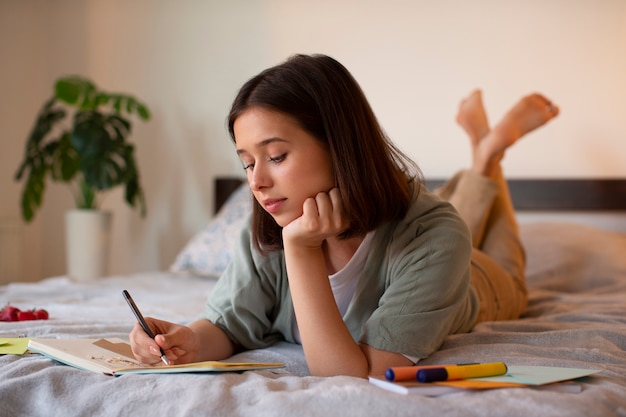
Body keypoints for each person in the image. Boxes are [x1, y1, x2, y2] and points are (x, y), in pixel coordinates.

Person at [129, 54, 559, 378]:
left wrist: (301, 250)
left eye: (276, 155)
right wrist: (187, 341)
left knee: (498, 256)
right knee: (447, 215)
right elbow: (230, 324)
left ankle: (489, 155)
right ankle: (485, 148)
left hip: (480, 280)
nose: (256, 181)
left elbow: (350, 377)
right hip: (418, 232)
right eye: (246, 162)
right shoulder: (268, 223)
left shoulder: (435, 235)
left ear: (340, 145)